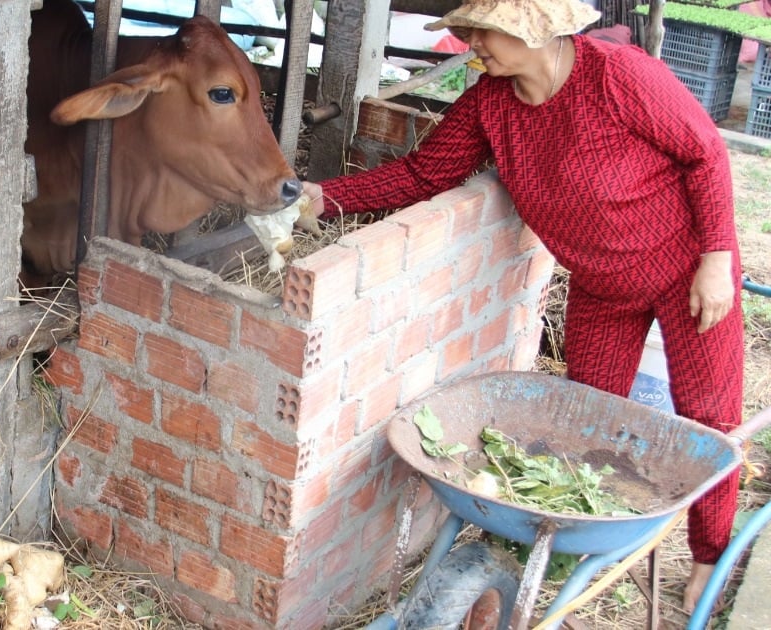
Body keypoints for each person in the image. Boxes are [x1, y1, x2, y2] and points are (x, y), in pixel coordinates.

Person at [300, 0, 745, 616]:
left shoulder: (619, 75)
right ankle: (571, 552)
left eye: (483, 30)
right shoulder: (491, 101)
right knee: (583, 421)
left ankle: (707, 559)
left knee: (707, 417)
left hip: (688, 269)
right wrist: (325, 199)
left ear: (531, 29)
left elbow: (705, 154)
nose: (471, 41)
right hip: (600, 286)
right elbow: (422, 174)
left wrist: (717, 259)